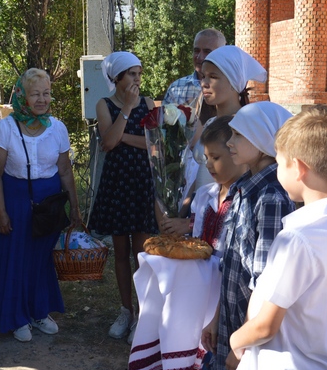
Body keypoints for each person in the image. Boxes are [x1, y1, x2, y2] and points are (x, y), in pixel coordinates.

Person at [226, 106, 327, 370]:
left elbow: (267, 324)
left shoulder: (299, 239)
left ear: (297, 168)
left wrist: (235, 344)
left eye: (280, 162)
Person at [187, 101, 294, 370]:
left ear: (262, 140)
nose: (230, 142)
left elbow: (264, 282)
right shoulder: (244, 188)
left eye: (237, 135)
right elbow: (231, 263)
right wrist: (217, 320)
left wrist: (244, 341)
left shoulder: (272, 196)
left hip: (252, 330)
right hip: (233, 320)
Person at [0, 68, 80, 342]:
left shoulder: (58, 127)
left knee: (41, 261)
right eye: (35, 94)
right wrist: (1, 212)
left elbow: (64, 170)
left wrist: (74, 207)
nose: (42, 99)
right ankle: (16, 318)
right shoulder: (4, 127)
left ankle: (39, 312)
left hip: (49, 204)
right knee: (16, 259)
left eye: (46, 93)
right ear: (22, 96)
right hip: (16, 200)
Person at [183, 115, 249, 370]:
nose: (210, 165)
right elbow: (197, 238)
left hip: (226, 289)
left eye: (217, 157)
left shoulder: (244, 197)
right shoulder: (204, 195)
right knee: (203, 348)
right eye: (206, 157)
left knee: (222, 353)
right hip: (201, 286)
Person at [88, 51, 157, 343]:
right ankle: (125, 310)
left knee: (141, 253)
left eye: (139, 74)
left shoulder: (150, 104)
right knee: (121, 252)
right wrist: (127, 111)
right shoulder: (104, 104)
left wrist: (124, 138)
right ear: (116, 78)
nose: (137, 80)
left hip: (141, 182)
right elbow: (107, 142)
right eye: (131, 74)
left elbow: (153, 146)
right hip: (117, 184)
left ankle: (143, 313)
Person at [164, 45, 268, 231]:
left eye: (213, 77)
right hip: (201, 219)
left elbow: (237, 190)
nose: (204, 83)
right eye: (204, 76)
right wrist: (183, 209)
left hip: (222, 227)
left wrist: (190, 224)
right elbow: (204, 175)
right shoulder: (211, 122)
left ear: (233, 82)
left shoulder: (244, 128)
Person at [163, 29, 226, 119]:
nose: (199, 56)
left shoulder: (229, 89)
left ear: (221, 54)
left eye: (207, 51)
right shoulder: (176, 89)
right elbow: (163, 127)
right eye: (196, 51)